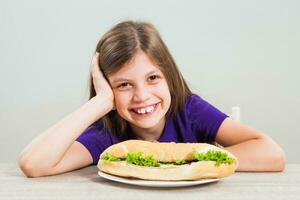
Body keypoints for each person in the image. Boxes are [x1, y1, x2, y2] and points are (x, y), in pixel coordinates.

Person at [18, 20, 286, 177]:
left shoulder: (189, 110)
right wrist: (98, 104)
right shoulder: (107, 135)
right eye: (124, 84)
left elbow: (272, 154)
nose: (142, 96)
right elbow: (33, 163)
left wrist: (186, 162)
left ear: (169, 76)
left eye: (153, 78)